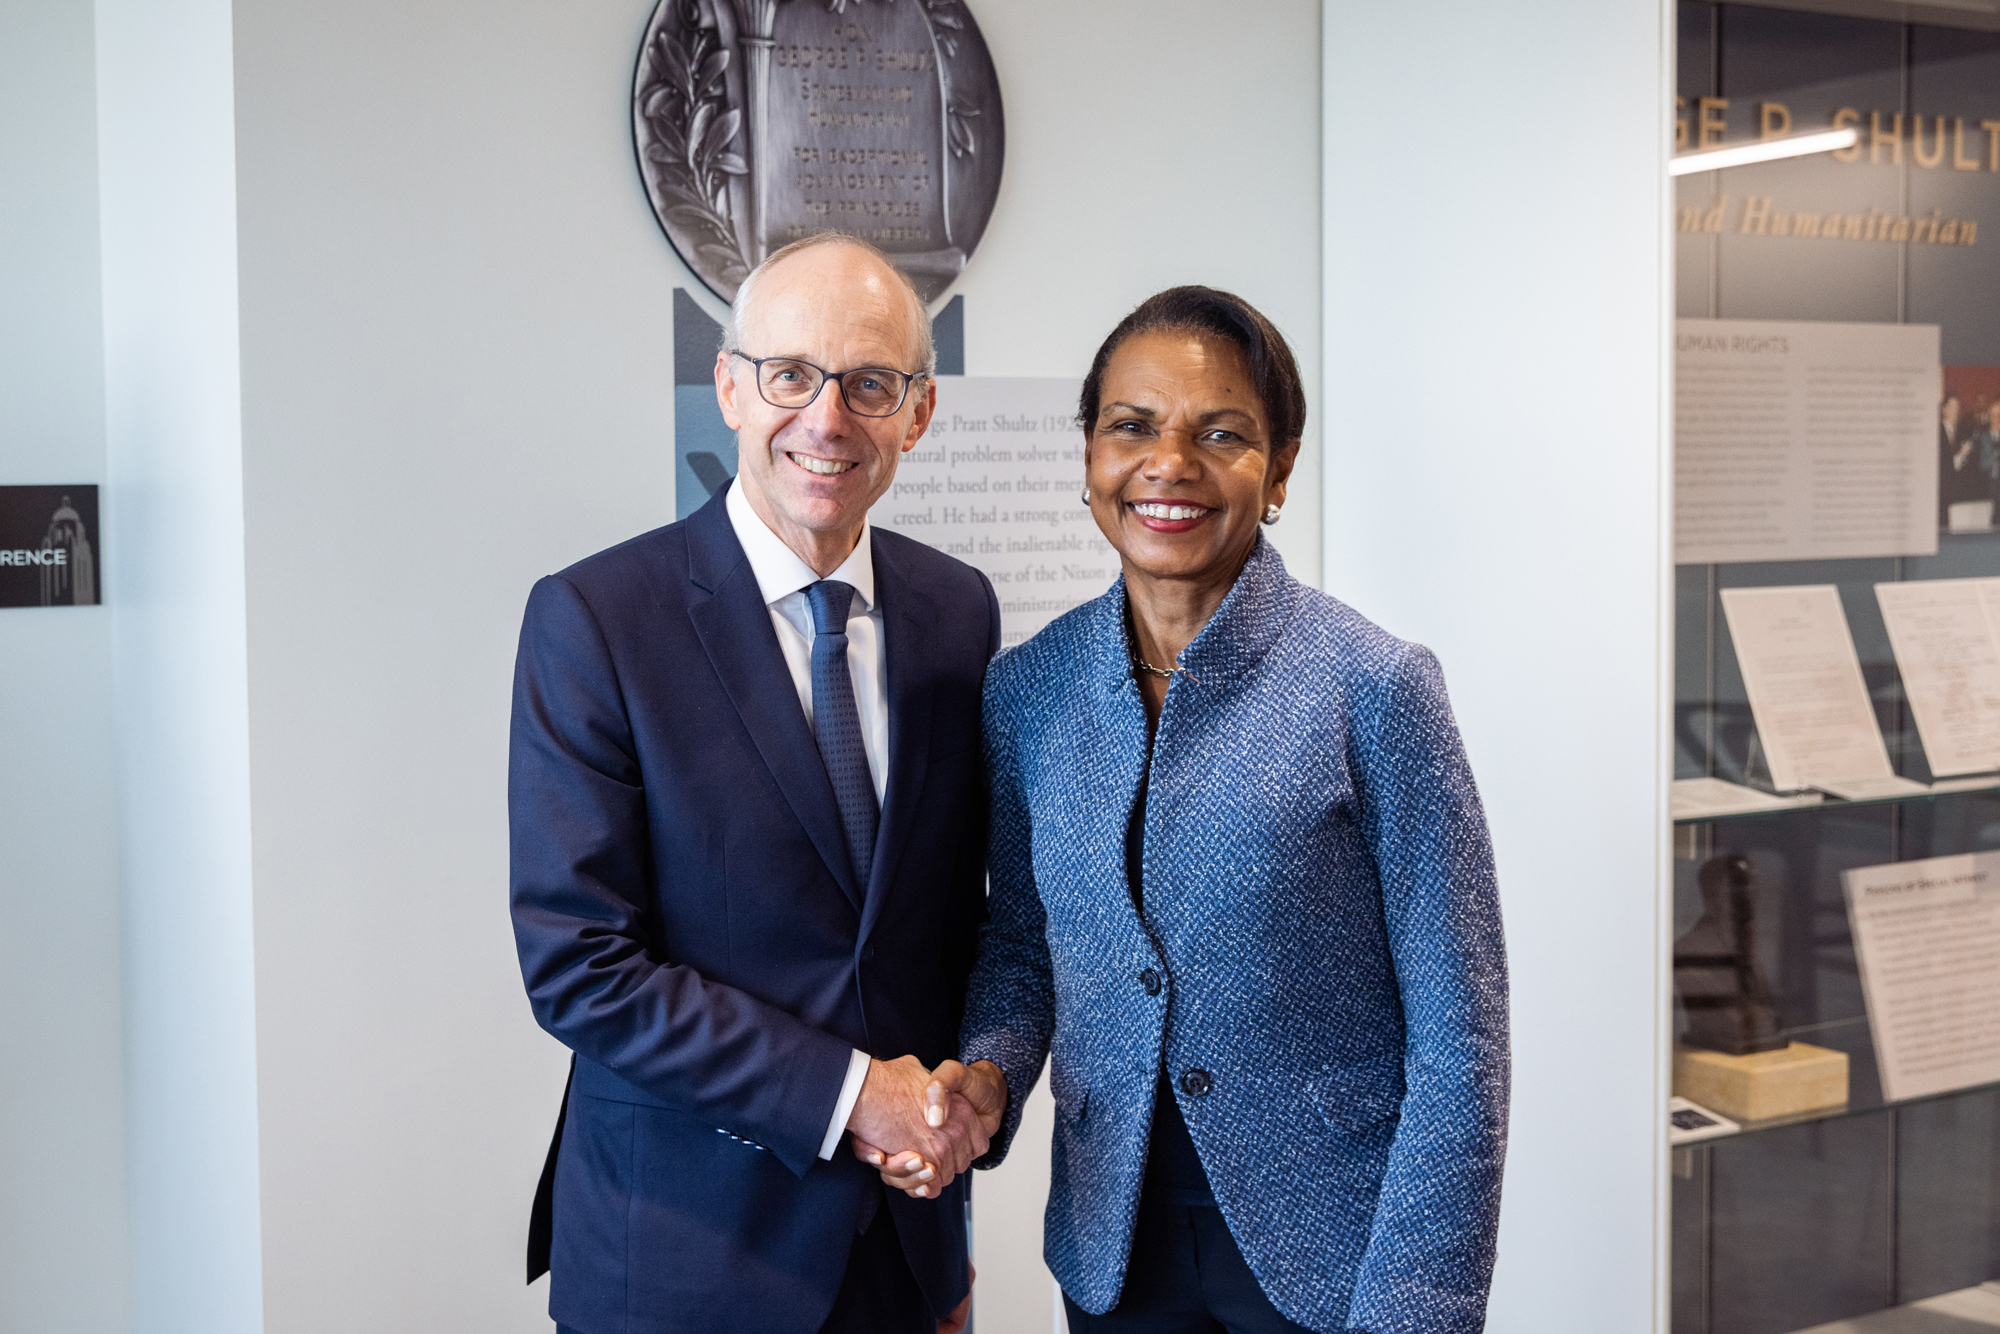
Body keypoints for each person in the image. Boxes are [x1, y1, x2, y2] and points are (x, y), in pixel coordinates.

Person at [869, 287, 1510, 1332]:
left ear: (1282, 467)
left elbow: (1460, 1038)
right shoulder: (1028, 690)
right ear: (1088, 456)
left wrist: (1418, 1305)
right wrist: (989, 1068)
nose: (1169, 463)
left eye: (1221, 433)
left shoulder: (1372, 686)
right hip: (1114, 1248)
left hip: (1334, 1250)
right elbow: (1025, 945)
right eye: (1131, 426)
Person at [509, 233, 1001, 1334]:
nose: (827, 419)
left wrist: (961, 1109)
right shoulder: (595, 619)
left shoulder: (957, 610)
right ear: (729, 386)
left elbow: (944, 923)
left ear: (916, 413)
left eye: (870, 383)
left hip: (903, 1251)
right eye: (790, 374)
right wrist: (849, 1095)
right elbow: (579, 966)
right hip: (681, 1258)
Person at [1939, 392, 1980, 525]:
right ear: (1943, 409)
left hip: (1960, 493)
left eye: (1957, 408)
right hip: (1943, 495)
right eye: (1952, 407)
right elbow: (1943, 465)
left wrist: (1966, 456)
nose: (1955, 411)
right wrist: (1961, 454)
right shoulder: (1936, 433)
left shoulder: (1962, 431)